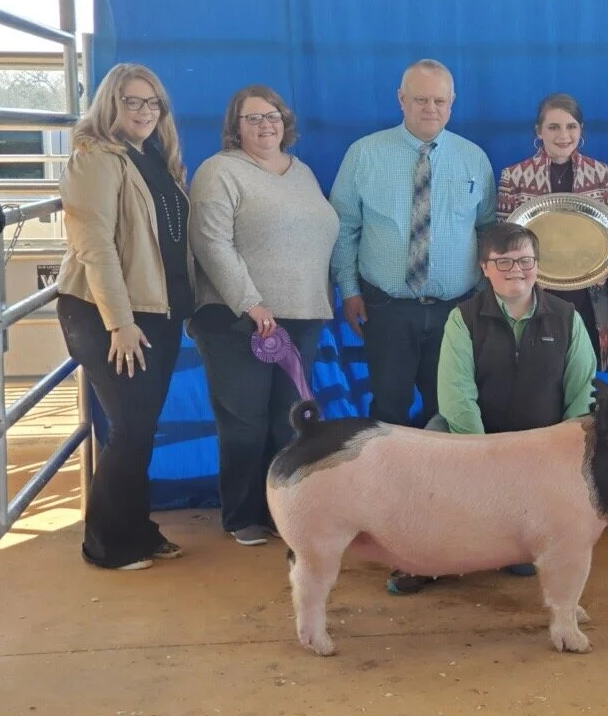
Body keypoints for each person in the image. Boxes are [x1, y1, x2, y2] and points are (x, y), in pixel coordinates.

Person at [387, 222, 598, 594]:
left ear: (538, 265)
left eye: (525, 260)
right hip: (473, 442)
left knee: (523, 565)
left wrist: (560, 456)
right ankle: (419, 557)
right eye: (503, 262)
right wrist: (486, 461)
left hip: (540, 448)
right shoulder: (462, 318)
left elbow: (582, 395)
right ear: (484, 268)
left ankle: (514, 542)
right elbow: (456, 397)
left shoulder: (567, 319)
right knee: (426, 449)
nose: (516, 270)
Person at [189, 85, 339, 547]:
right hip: (241, 320)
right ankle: (241, 515)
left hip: (302, 314)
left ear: (285, 120)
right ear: (235, 127)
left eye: (271, 115)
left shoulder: (303, 173)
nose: (265, 124)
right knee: (245, 422)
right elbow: (211, 242)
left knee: (286, 421)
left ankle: (282, 511)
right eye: (252, 118)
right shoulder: (220, 172)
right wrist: (250, 302)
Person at [55, 63, 192, 570]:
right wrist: (120, 321)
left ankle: (137, 529)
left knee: (140, 427)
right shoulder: (94, 158)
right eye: (132, 101)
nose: (144, 111)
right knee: (131, 426)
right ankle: (107, 545)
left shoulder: (152, 158)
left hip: (157, 311)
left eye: (152, 102)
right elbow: (95, 247)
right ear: (111, 105)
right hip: (106, 312)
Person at [330, 59, 496, 428]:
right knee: (388, 409)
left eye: (439, 101)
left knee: (449, 411)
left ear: (452, 103)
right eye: (420, 99)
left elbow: (487, 231)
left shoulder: (475, 159)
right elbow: (343, 228)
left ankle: (440, 487)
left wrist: (484, 297)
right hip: (386, 309)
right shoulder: (364, 154)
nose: (430, 109)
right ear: (401, 99)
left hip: (457, 311)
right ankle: (388, 487)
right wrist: (349, 290)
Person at [496, 93, 608, 370]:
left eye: (571, 126)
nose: (563, 135)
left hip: (589, 296)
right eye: (553, 127)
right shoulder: (514, 177)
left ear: (581, 130)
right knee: (538, 379)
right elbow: (502, 243)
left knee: (586, 382)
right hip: (534, 297)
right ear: (538, 131)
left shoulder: (601, 173)